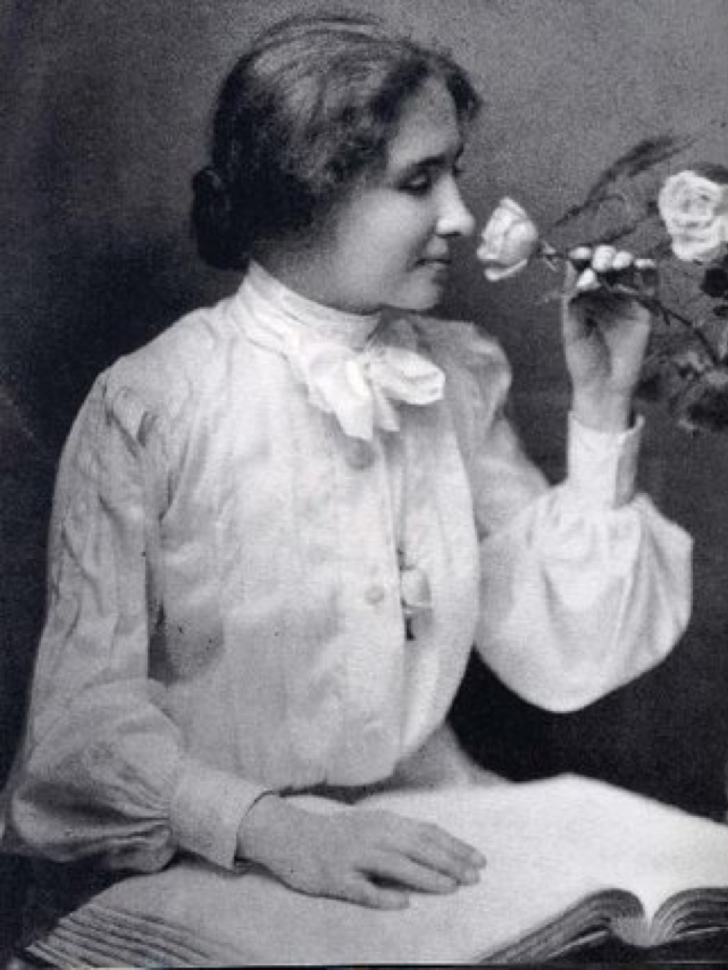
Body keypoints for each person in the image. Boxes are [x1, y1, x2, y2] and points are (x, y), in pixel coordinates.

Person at [1, 10, 692, 932]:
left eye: (454, 173)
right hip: (214, 863)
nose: (461, 215)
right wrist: (274, 830)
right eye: (419, 181)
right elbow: (75, 733)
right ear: (307, 190)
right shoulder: (154, 403)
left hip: (436, 825)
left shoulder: (454, 374)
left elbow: (560, 650)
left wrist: (601, 409)